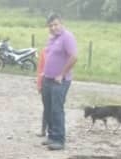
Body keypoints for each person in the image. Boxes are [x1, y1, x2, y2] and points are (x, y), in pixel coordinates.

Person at [41, 14, 78, 151]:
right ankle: (51, 136)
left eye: (56, 24)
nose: (53, 27)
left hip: (60, 80)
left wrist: (61, 74)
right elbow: (50, 57)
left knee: (57, 109)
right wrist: (44, 73)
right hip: (47, 78)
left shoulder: (67, 37)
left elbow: (74, 57)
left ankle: (59, 139)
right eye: (50, 25)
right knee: (48, 108)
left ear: (62, 23)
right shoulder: (52, 38)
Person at [36, 47, 47, 137]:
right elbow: (40, 68)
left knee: (55, 108)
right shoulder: (44, 51)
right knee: (46, 108)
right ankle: (43, 130)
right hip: (45, 82)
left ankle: (54, 131)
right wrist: (39, 84)